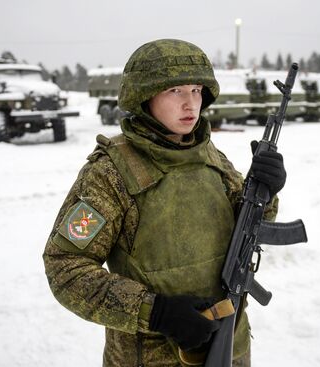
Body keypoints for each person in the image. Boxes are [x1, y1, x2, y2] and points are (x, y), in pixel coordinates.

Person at [43, 39, 286, 367]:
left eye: (197, 90)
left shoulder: (214, 160)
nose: (191, 104)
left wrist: (265, 194)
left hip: (231, 350)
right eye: (176, 91)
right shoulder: (110, 174)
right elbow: (65, 267)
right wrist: (154, 312)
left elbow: (248, 233)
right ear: (144, 97)